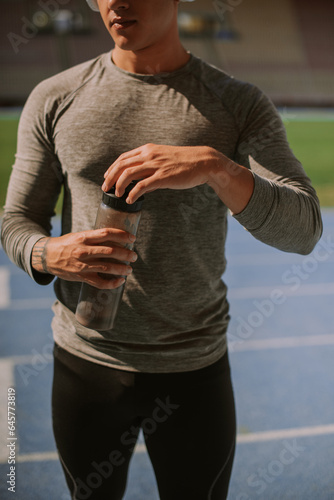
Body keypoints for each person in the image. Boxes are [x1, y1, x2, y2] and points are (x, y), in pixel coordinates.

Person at [1, 0, 323, 499]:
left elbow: (304, 230)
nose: (116, 2)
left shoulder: (237, 103)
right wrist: (50, 254)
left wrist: (218, 168)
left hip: (193, 371)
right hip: (85, 363)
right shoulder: (55, 96)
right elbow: (16, 222)